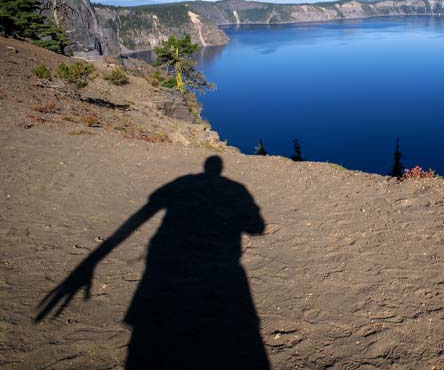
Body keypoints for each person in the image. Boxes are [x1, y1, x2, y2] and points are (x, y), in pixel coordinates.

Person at [35, 156, 270, 370]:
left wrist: (92, 260)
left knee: (152, 332)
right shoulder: (236, 189)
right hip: (218, 265)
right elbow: (256, 227)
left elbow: (144, 213)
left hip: (165, 258)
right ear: (219, 169)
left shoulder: (182, 182)